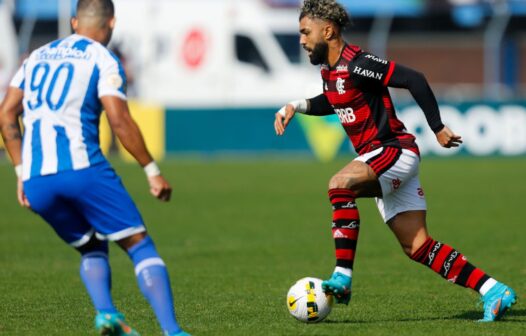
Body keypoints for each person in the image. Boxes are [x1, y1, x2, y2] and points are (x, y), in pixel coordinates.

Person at [274, 0, 516, 322]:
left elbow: (413, 78)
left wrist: (438, 128)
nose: (302, 39)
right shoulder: (329, 72)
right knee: (418, 246)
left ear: (328, 30)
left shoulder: (358, 63)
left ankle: (342, 276)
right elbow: (332, 101)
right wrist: (296, 106)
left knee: (339, 185)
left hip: (394, 150)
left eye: (306, 32)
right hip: (380, 158)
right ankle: (493, 290)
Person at [0, 1, 190, 335]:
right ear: (112, 22)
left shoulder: (35, 57)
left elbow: (6, 113)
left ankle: (106, 314)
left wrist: (20, 172)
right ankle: (172, 332)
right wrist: (152, 169)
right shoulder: (103, 59)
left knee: (90, 245)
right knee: (139, 244)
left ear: (74, 22)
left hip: (35, 178)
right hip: (82, 169)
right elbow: (119, 120)